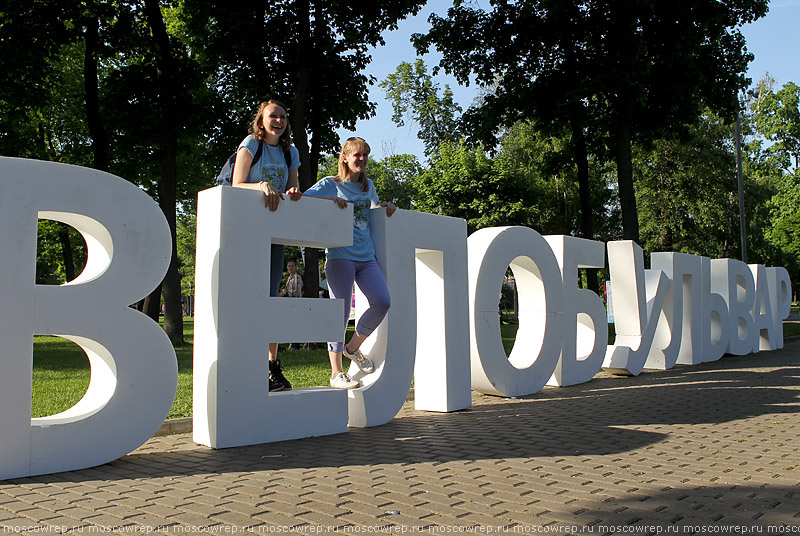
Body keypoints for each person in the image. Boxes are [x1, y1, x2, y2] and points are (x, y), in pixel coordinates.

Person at [303, 137, 396, 389]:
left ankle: (352, 348)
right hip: (339, 256)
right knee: (340, 314)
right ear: (345, 157)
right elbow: (301, 200)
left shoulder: (368, 186)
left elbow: (374, 208)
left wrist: (385, 206)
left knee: (382, 301)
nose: (362, 159)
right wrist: (330, 202)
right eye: (357, 155)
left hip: (367, 258)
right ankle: (336, 373)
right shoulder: (330, 184)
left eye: (365, 155)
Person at [232, 99, 301, 392]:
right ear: (261, 120)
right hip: (247, 232)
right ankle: (243, 363)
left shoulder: (291, 151)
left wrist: (294, 191)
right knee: (250, 296)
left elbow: (294, 185)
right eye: (273, 116)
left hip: (275, 232)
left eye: (283, 116)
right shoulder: (251, 144)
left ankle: (271, 367)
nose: (279, 120)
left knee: (272, 298)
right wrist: (260, 185)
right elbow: (235, 184)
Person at [279, 259, 303, 350]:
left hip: (296, 304)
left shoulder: (297, 277)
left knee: (295, 325)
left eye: (292, 266)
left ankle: (296, 345)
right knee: (290, 324)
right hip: (290, 304)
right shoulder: (289, 278)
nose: (291, 268)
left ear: (295, 267)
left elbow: (296, 292)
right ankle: (292, 343)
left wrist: (285, 293)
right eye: (289, 266)